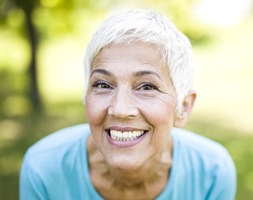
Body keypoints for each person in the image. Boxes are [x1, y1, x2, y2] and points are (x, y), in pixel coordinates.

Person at [20, 9, 236, 200]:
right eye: (103, 84)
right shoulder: (44, 169)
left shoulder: (212, 173)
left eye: (147, 87)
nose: (120, 109)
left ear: (184, 107)